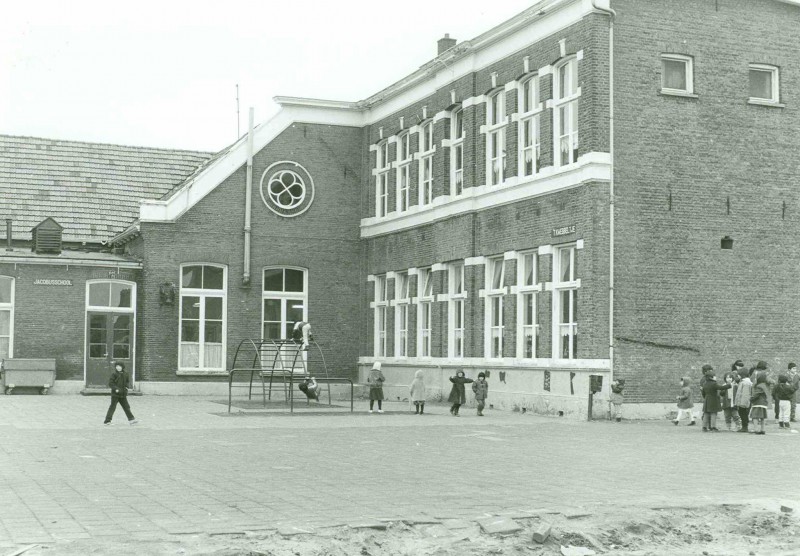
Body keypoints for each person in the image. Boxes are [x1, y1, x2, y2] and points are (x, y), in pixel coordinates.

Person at [700, 366, 730, 432]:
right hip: (713, 400)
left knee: (706, 413)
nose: (715, 377)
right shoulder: (714, 384)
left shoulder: (705, 384)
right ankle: (713, 427)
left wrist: (706, 398)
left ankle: (704, 427)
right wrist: (728, 385)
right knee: (713, 413)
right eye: (714, 376)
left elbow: (703, 393)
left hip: (707, 400)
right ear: (711, 377)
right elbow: (721, 387)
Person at [734, 366, 753, 433]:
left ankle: (745, 427)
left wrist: (742, 403)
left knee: (743, 415)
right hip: (742, 402)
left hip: (743, 403)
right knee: (742, 415)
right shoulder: (743, 382)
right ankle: (744, 427)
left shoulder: (746, 383)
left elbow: (745, 394)